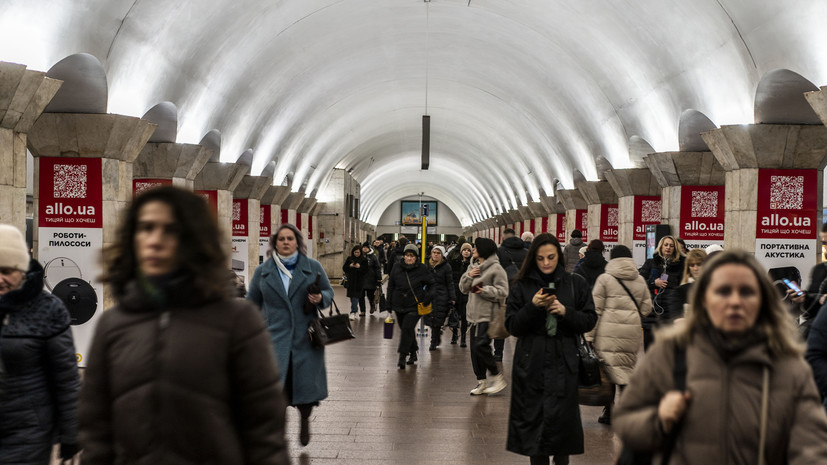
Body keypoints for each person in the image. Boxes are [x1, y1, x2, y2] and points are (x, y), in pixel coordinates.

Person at [80, 186, 289, 463]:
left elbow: (264, 429)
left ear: (193, 239)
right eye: (146, 228)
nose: (155, 240)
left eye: (171, 230)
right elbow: (96, 428)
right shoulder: (113, 324)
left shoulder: (237, 321)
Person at [615, 250, 827, 464]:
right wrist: (659, 420)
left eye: (746, 292)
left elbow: (812, 446)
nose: (735, 301)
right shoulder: (670, 353)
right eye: (723, 291)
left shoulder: (787, 365)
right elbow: (626, 421)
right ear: (705, 298)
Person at [504, 233, 597, 465]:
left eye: (551, 257)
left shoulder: (575, 283)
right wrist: (532, 306)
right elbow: (512, 325)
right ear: (533, 258)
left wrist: (566, 312)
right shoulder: (521, 285)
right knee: (535, 429)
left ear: (559, 256)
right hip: (531, 364)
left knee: (563, 428)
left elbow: (589, 320)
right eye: (540, 258)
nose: (546, 263)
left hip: (564, 363)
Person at [0, 224, 80, 465]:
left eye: (6, 271)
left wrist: (71, 434)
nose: (0, 279)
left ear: (21, 270)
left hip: (27, 435)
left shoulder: (48, 309)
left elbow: (66, 378)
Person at [248, 222, 333, 447]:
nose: (286, 242)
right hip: (274, 339)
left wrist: (320, 298)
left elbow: (328, 292)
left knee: (304, 388)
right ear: (275, 244)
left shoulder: (312, 267)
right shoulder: (263, 272)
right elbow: (252, 302)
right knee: (277, 390)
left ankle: (304, 420)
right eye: (281, 239)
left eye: (290, 238)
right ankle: (279, 432)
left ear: (297, 243)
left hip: (306, 338)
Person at [585, 245, 652, 426]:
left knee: (609, 371)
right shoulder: (639, 279)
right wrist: (632, 315)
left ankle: (609, 412)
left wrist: (589, 336)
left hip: (607, 332)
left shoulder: (605, 279)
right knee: (625, 370)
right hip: (631, 332)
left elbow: (596, 309)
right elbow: (647, 307)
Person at [459, 238, 509, 395]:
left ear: (484, 250)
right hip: (473, 315)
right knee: (474, 350)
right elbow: (463, 288)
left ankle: (497, 376)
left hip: (488, 315)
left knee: (481, 345)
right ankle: (481, 381)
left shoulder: (496, 269)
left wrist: (484, 290)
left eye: (476, 247)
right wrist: (469, 275)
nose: (473, 249)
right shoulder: (473, 266)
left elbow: (503, 291)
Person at [386, 243, 434, 369]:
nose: (409, 258)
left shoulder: (422, 268)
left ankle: (402, 356)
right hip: (398, 304)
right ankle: (413, 352)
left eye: (412, 256)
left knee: (407, 328)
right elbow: (391, 285)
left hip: (414, 305)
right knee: (406, 329)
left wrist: (427, 298)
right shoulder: (396, 267)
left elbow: (432, 284)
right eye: (407, 255)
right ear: (404, 256)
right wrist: (388, 303)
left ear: (416, 257)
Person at [638, 235, 685, 349]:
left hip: (669, 313)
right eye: (666, 245)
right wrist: (653, 282)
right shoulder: (651, 263)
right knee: (649, 349)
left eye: (671, 246)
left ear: (675, 248)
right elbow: (640, 281)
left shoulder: (680, 266)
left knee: (667, 350)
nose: (668, 248)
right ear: (661, 247)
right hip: (651, 312)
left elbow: (682, 286)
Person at [668, 248, 707, 324]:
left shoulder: (714, 289)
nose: (695, 268)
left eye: (699, 264)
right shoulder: (680, 292)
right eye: (692, 265)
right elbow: (677, 319)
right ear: (688, 267)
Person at [427, 245, 455, 350]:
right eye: (434, 252)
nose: (435, 255)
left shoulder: (446, 267)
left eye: (438, 253)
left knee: (438, 320)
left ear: (442, 255)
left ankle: (433, 342)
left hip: (442, 296)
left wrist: (452, 297)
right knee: (430, 319)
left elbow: (450, 283)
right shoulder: (427, 265)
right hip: (429, 296)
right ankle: (436, 335)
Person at [449, 242, 473, 346]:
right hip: (456, 292)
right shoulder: (454, 263)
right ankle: (454, 336)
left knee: (464, 317)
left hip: (466, 294)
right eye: (464, 250)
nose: (466, 252)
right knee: (455, 315)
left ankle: (463, 339)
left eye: (468, 250)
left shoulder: (472, 265)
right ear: (461, 251)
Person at [342, 245, 367, 320]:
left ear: (360, 252)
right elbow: (344, 268)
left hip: (359, 282)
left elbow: (366, 270)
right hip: (350, 281)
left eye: (358, 252)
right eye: (355, 252)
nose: (356, 254)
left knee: (355, 297)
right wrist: (350, 266)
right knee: (352, 297)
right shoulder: (349, 259)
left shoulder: (364, 260)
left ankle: (352, 312)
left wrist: (359, 267)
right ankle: (355, 310)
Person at [361, 242, 383, 314]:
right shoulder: (360, 256)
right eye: (364, 247)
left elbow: (377, 268)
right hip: (361, 279)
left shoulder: (373, 257)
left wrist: (379, 278)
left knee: (370, 295)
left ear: (369, 248)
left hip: (371, 279)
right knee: (361, 296)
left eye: (366, 247)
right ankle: (362, 311)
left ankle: (372, 305)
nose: (365, 249)